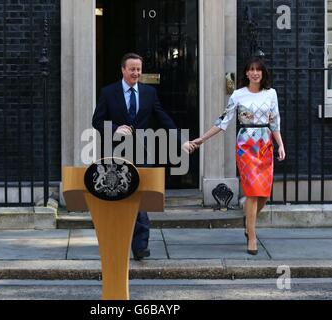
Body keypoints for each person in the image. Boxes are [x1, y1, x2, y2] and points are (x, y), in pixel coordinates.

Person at [92, 53, 196, 260]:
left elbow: (163, 118)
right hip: (116, 153)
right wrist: (114, 129)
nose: (136, 73)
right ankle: (117, 240)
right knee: (119, 198)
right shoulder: (109, 92)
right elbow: (96, 121)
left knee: (139, 197)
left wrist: (181, 141)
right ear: (123, 70)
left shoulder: (149, 92)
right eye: (132, 69)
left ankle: (140, 246)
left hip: (141, 151)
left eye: (139, 69)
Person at [190, 57, 286, 255]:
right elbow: (223, 121)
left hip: (265, 144)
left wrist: (280, 145)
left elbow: (274, 121)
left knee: (264, 194)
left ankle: (248, 219)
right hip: (246, 146)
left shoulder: (271, 94)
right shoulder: (238, 95)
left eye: (258, 70)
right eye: (251, 69)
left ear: (263, 73)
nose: (254, 73)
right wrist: (202, 139)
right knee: (251, 192)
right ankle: (251, 236)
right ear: (246, 73)